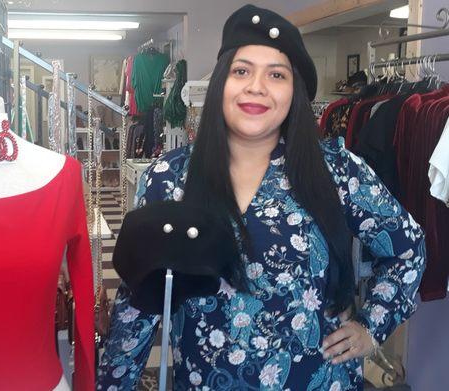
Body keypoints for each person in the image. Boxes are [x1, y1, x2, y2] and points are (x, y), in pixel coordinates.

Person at [97, 4, 426, 390]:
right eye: (242, 71)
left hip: (318, 380)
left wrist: (372, 326)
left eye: (276, 74)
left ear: (294, 91)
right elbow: (142, 297)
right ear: (221, 81)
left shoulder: (337, 170)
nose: (256, 86)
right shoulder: (170, 178)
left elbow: (408, 249)